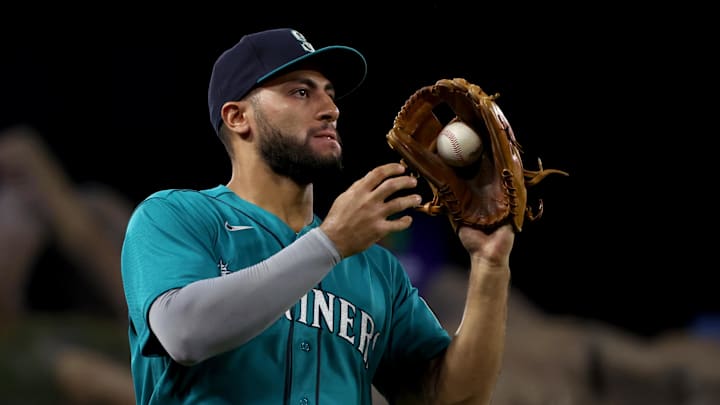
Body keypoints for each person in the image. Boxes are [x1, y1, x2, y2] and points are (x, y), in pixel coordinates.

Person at [120, 27, 514, 405]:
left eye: (330, 94)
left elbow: (449, 399)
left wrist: (490, 264)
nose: (331, 110)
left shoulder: (374, 266)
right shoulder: (176, 217)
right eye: (300, 92)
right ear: (238, 117)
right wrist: (329, 244)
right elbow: (184, 334)